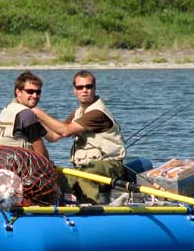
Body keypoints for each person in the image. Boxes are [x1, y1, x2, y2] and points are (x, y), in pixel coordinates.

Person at [31, 70, 126, 204]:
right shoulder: (78, 113)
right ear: (74, 90)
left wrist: (36, 111)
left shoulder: (97, 113)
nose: (84, 90)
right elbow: (53, 136)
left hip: (109, 165)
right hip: (83, 167)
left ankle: (92, 209)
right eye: (80, 87)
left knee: (86, 176)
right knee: (55, 176)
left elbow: (66, 131)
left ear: (95, 88)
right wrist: (32, 120)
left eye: (89, 86)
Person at [0, 71, 50, 159]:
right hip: (7, 165)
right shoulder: (27, 115)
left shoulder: (8, 108)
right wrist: (52, 169)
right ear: (18, 92)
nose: (35, 96)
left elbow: (53, 137)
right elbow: (41, 154)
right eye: (30, 91)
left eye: (38, 92)